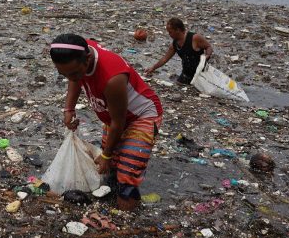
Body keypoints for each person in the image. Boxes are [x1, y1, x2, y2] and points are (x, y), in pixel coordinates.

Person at [49, 34, 163, 211]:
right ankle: (112, 200)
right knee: (112, 168)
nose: (70, 78)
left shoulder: (112, 77)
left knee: (127, 172)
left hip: (141, 115)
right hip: (112, 115)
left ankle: (128, 217)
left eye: (74, 73)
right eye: (63, 74)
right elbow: (74, 79)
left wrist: (107, 154)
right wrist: (69, 109)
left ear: (87, 60)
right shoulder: (78, 51)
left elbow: (119, 122)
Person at [145, 17, 213, 84]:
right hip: (186, 75)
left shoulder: (194, 38)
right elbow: (165, 58)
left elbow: (208, 47)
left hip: (201, 74)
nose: (169, 34)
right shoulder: (174, 44)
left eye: (170, 32)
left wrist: (207, 55)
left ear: (177, 30)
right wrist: (153, 68)